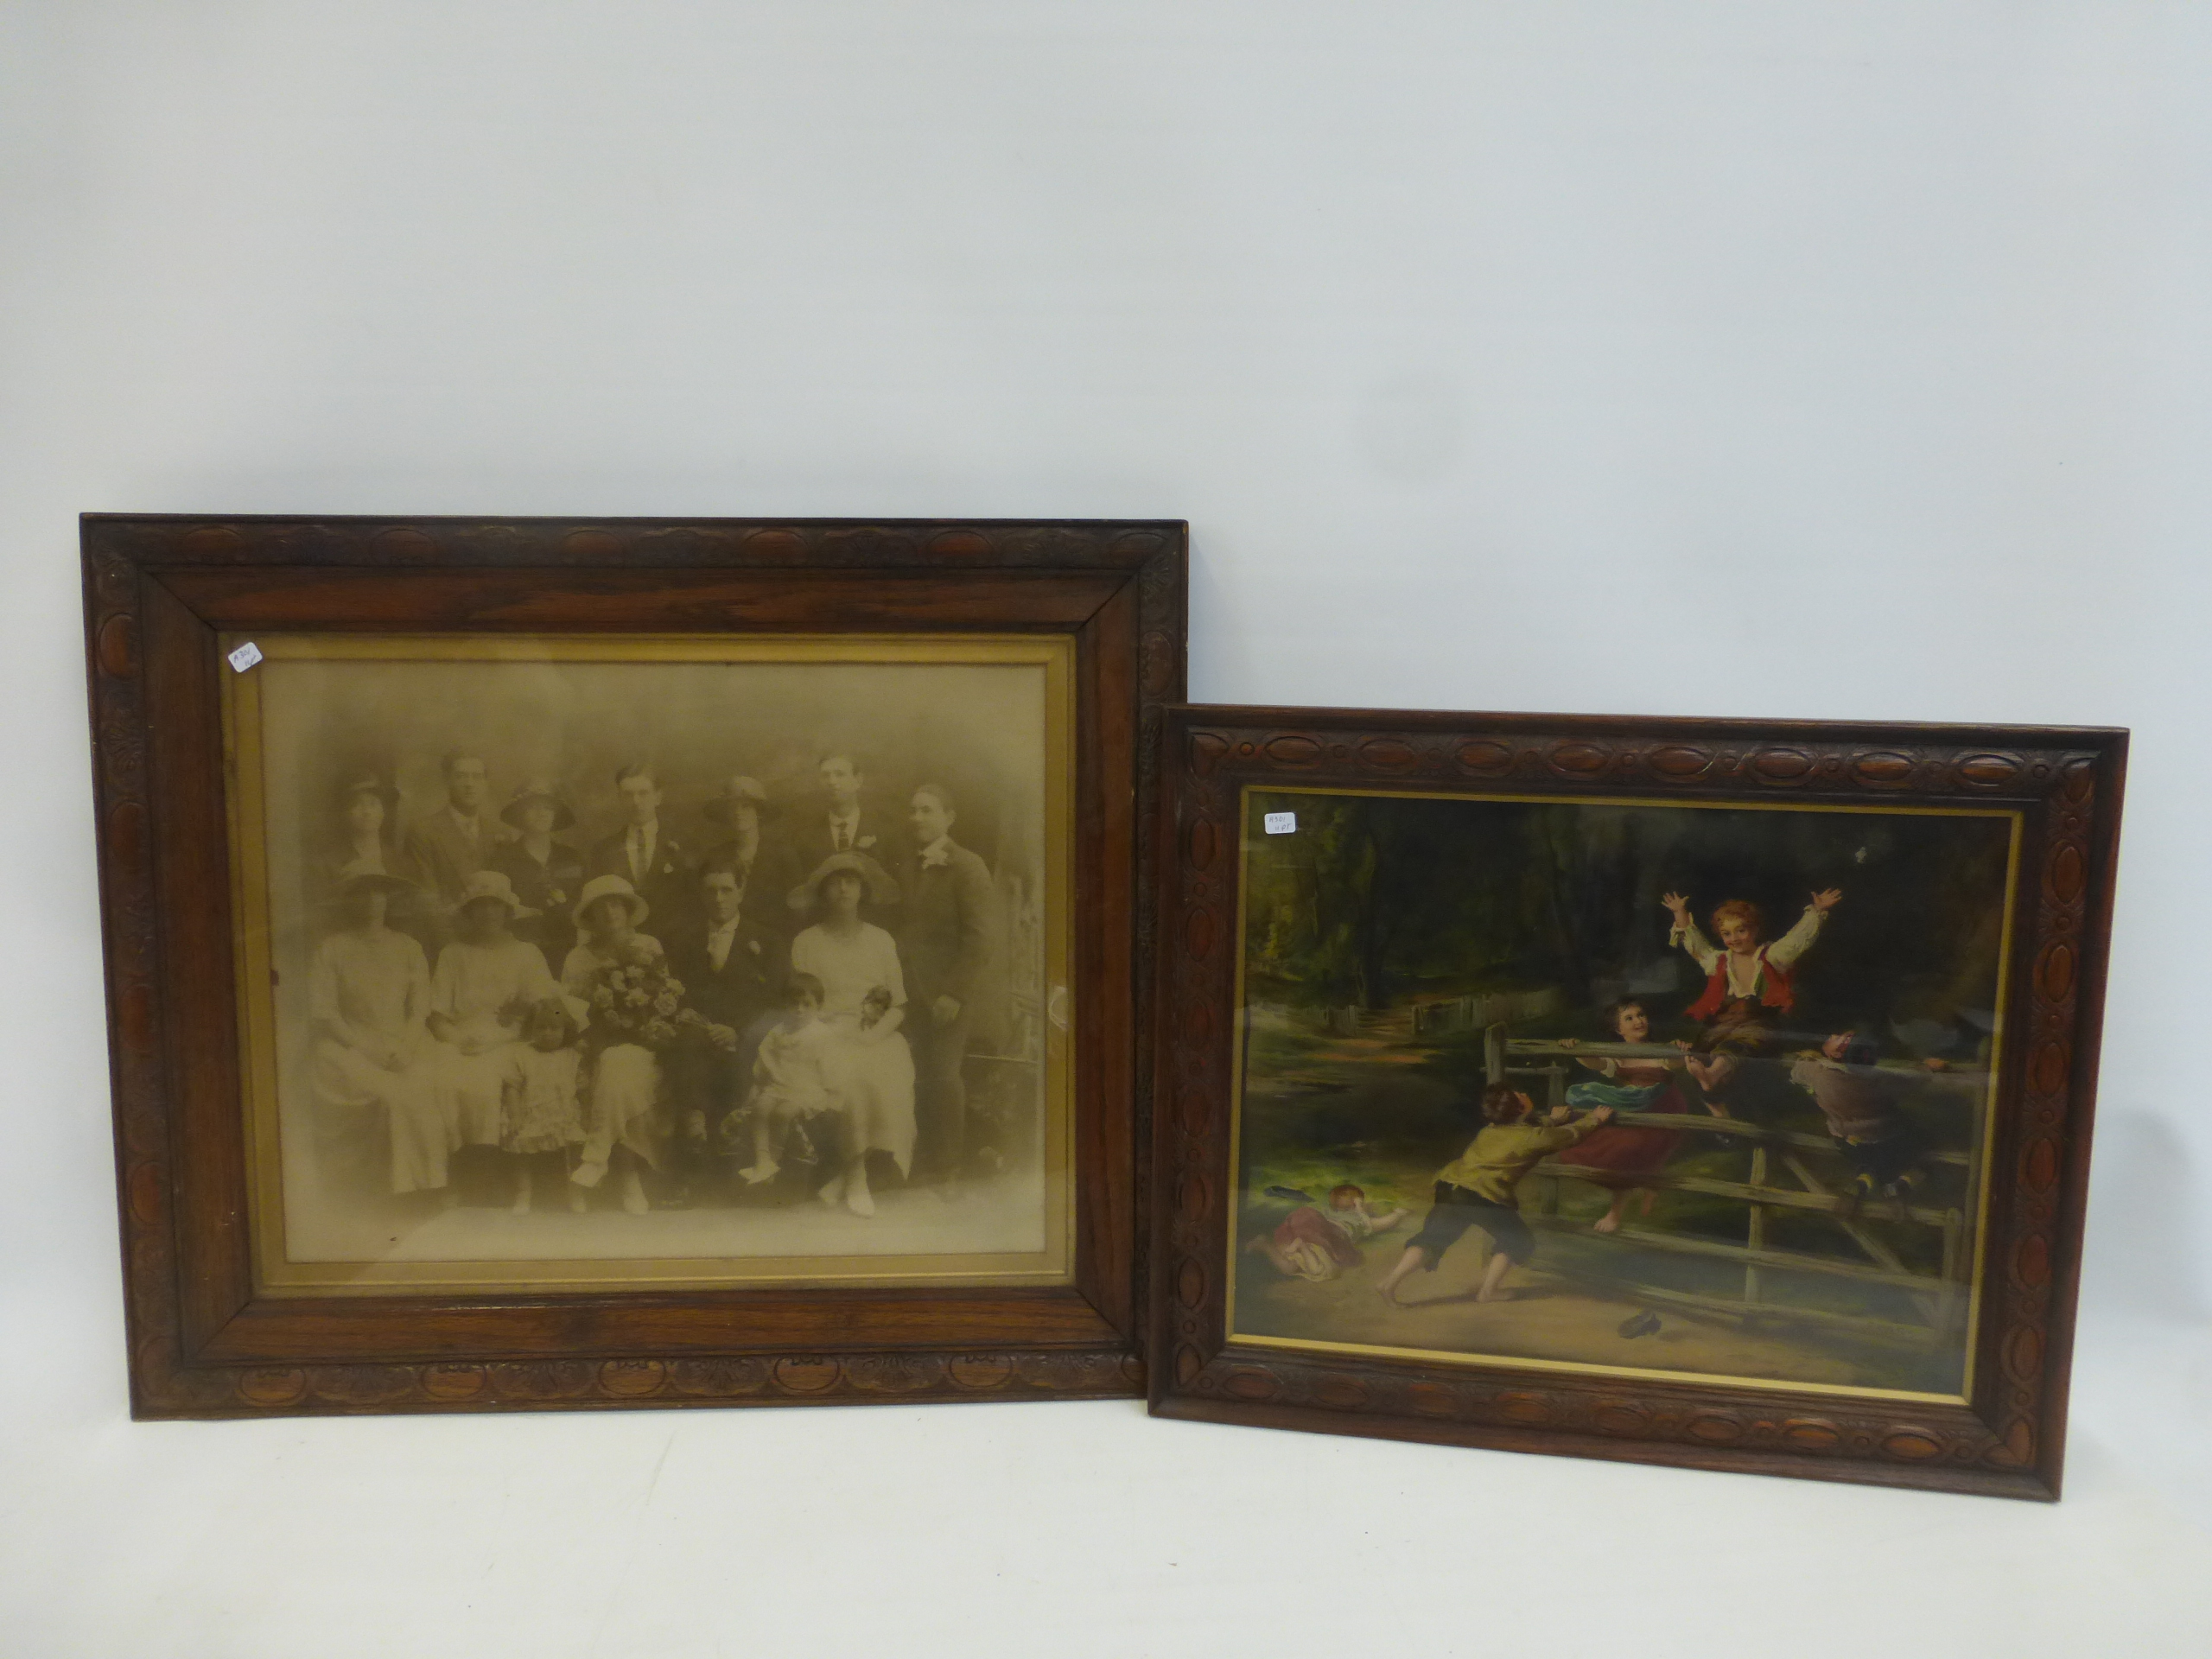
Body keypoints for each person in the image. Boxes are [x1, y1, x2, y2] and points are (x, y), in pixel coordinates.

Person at [1376, 1084, 1615, 1306]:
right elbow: (1568, 1135)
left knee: (1432, 1238)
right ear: (1521, 1108)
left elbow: (1522, 1131)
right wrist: (1594, 1118)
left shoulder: (1490, 1129)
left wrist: (1551, 1120)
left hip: (1450, 1186)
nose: (1523, 1092)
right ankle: (1488, 1292)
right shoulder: (1532, 1137)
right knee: (1518, 1239)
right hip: (1482, 1196)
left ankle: (1389, 1282)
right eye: (1520, 1095)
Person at [788, 851, 914, 1217]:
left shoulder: (881, 940)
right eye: (835, 882)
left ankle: (846, 1176)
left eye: (851, 881)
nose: (843, 889)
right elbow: (801, 1003)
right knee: (850, 1076)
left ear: (863, 890)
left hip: (875, 1033)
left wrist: (872, 1036)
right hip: (822, 1031)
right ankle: (857, 1175)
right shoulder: (806, 942)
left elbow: (899, 1005)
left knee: (886, 1067)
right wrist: (826, 1029)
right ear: (823, 891)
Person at [306, 865, 443, 1198]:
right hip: (350, 1043)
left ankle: (430, 1185)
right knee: (393, 1094)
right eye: (360, 893)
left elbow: (419, 1008)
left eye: (377, 891)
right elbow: (326, 1013)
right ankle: (399, 1187)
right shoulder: (333, 948)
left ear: (388, 899)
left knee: (423, 1091)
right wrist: (368, 1048)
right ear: (348, 900)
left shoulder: (408, 947)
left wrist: (405, 1048)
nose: (370, 900)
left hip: (406, 1042)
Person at [898, 783, 1006, 1191]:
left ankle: (948, 1168)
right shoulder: (908, 865)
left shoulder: (968, 865)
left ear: (949, 817)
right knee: (917, 1074)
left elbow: (981, 938)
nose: (918, 818)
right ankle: (924, 1158)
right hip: (910, 989)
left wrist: (954, 993)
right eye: (913, 810)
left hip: (948, 993)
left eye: (927, 810)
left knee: (944, 1075)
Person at [426, 869, 556, 1175]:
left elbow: (543, 1011)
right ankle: (455, 1168)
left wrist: (502, 1037)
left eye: (495, 905)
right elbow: (437, 1016)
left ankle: (490, 1169)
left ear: (507, 911)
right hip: (460, 1038)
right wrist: (458, 1041)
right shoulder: (453, 954)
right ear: (469, 912)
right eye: (480, 906)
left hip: (512, 1038)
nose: (488, 913)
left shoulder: (527, 953)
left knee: (487, 1082)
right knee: (442, 1077)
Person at [1553, 998, 1719, 1235]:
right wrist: (1575, 1047)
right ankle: (1649, 1185)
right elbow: (1594, 1061)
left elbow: (1674, 1062)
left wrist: (1678, 1049)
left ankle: (1617, 1211)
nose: (1638, 1021)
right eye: (1629, 1018)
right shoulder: (1617, 1054)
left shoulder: (1659, 1049)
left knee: (1630, 1147)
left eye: (1640, 1015)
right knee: (1605, 1145)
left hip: (1664, 1106)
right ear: (1618, 1029)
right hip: (1634, 1105)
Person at [664, 858, 779, 1190]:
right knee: (686, 1048)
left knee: (740, 1063)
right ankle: (694, 1136)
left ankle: (735, 1167)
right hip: (698, 1033)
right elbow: (675, 991)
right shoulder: (684, 939)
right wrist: (696, 1021)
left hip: (746, 1034)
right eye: (711, 890)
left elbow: (776, 998)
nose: (719, 898)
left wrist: (738, 1029)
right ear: (701, 894)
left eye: (727, 889)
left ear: (741, 892)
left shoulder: (766, 939)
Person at [561, 874, 667, 1213]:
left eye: (617, 904)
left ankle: (598, 1159)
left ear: (628, 909)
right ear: (590, 916)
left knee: (618, 1066)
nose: (611, 912)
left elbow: (662, 1001)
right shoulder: (578, 958)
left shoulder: (648, 946)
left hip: (643, 1041)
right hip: (597, 1043)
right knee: (613, 1067)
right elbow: (573, 1012)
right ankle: (628, 1180)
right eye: (601, 906)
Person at [1662, 887, 1841, 1051]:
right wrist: (1679, 912)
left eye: (1741, 931)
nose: (1734, 938)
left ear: (1755, 930)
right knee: (1706, 1046)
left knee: (1740, 1046)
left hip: (1760, 1022)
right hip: (1723, 1022)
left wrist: (1818, 910)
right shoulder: (1718, 961)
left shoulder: (1772, 956)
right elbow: (1695, 943)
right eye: (1727, 933)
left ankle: (1716, 1071)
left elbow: (1797, 939)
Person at [1789, 1031, 1932, 1211]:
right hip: (1887, 1139)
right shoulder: (1879, 1079)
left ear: (1836, 1055)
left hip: (1846, 1140)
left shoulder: (1817, 1073)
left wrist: (1810, 1059)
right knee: (1924, 1150)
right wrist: (1927, 1067)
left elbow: (1797, 1072)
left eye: (1838, 1039)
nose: (1833, 1035)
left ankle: (1863, 1181)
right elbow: (1915, 1081)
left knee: (1868, 1162)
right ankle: (1900, 1185)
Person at [733, 973, 836, 1190]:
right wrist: (758, 1083)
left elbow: (829, 1068)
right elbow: (766, 1058)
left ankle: (774, 1161)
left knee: (783, 1113)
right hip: (779, 1084)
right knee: (760, 1108)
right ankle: (763, 1161)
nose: (799, 1010)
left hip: (808, 1088)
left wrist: (830, 1091)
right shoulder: (779, 1031)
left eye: (807, 1005)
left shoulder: (822, 1034)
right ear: (785, 1005)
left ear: (818, 1006)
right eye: (794, 1004)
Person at [779, 753, 908, 915]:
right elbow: (801, 897)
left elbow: (897, 894)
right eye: (826, 775)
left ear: (858, 780)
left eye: (840, 774)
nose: (832, 782)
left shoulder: (886, 831)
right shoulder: (803, 837)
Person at [499, 995, 590, 1214]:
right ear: (531, 1028)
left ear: (565, 1030)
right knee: (520, 1143)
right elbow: (512, 1087)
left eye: (554, 1028)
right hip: (530, 1113)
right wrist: (515, 1115)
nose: (547, 1033)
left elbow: (583, 1090)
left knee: (575, 1147)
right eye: (541, 1027)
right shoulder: (521, 1054)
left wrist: (586, 1113)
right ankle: (524, 1192)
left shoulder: (572, 1056)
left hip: (564, 1113)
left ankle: (576, 1192)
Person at [587, 762, 697, 938]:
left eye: (643, 793)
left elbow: (695, 903)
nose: (636, 802)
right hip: (623, 946)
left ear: (658, 797)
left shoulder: (684, 844)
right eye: (628, 795)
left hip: (676, 944)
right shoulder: (604, 850)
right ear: (619, 799)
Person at [488, 777, 585, 976]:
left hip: (568, 951)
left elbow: (585, 905)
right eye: (533, 807)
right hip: (519, 953)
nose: (542, 814)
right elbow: (495, 911)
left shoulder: (572, 858)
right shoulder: (502, 859)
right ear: (520, 815)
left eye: (548, 808)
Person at [401, 750, 505, 912]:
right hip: (446, 928)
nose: (469, 784)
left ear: (486, 783)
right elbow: (426, 897)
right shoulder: (423, 830)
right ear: (447, 781)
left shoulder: (498, 831)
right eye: (461, 776)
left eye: (476, 777)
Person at [1249, 1183, 1409, 1281]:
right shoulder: (1359, 1220)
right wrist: (1398, 1214)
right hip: (1324, 1233)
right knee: (1309, 1221)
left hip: (1318, 1236)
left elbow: (1383, 1223)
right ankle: (1296, 1245)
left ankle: (1265, 1245)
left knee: (1289, 1268)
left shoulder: (1359, 1220)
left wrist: (1398, 1214)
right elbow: (1382, 1223)